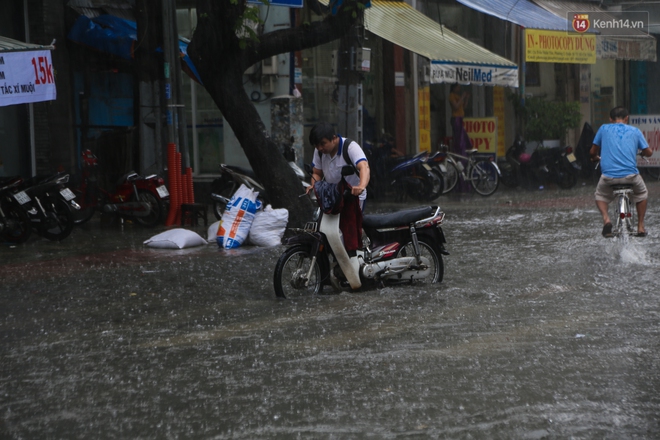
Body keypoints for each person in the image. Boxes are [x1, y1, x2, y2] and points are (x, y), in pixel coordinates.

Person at [590, 106, 653, 237]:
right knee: (642, 194)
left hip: (608, 177)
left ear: (610, 119)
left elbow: (592, 151)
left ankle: (606, 220)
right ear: (626, 118)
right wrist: (641, 153)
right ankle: (640, 226)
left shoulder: (603, 128)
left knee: (600, 196)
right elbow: (649, 152)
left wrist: (595, 157)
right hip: (631, 177)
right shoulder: (635, 131)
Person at [307, 121, 370, 211]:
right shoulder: (319, 152)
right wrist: (315, 187)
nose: (320, 148)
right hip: (331, 197)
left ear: (333, 138)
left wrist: (361, 186)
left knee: (350, 224)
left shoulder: (350, 147)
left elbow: (364, 166)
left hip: (353, 198)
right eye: (317, 145)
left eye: (323, 143)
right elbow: (317, 173)